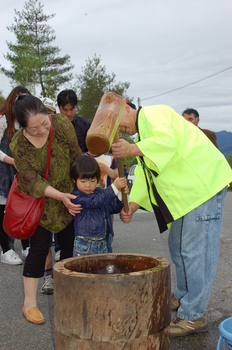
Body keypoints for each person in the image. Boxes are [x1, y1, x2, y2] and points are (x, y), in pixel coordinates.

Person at [111, 99, 232, 338]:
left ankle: (193, 315)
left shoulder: (155, 114)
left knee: (195, 252)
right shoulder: (142, 134)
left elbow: (167, 143)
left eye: (118, 122)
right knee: (178, 247)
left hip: (203, 186)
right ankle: (184, 296)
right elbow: (148, 176)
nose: (120, 130)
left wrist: (132, 150)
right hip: (188, 195)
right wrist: (133, 205)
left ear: (126, 107)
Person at [11, 94, 82, 325]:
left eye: (44, 123)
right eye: (34, 128)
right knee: (38, 249)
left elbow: (76, 156)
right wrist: (59, 196)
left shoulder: (61, 124)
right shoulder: (19, 146)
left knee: (69, 247)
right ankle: (29, 304)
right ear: (23, 128)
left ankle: (69, 297)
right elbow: (33, 182)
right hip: (39, 204)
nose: (42, 130)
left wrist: (84, 183)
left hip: (67, 197)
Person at [70, 155, 127, 256]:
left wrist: (121, 194)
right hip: (85, 245)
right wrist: (114, 187)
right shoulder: (76, 196)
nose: (88, 185)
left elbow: (113, 207)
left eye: (92, 181)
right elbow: (95, 202)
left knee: (103, 271)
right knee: (85, 271)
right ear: (74, 180)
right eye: (83, 181)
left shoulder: (100, 192)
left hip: (104, 241)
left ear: (98, 179)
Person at [0, 86, 31, 265]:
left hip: (22, 174)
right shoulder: (3, 120)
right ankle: (6, 249)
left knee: (24, 209)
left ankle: (26, 246)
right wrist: (11, 161)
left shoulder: (27, 122)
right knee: (3, 210)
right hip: (4, 172)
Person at [86, 151, 119, 251]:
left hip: (106, 199)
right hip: (88, 199)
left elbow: (117, 175)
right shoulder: (83, 157)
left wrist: (106, 169)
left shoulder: (110, 159)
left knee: (107, 225)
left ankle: (107, 245)